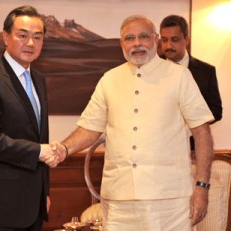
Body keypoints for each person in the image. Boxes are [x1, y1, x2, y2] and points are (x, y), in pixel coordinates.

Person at [51, 15, 214, 230]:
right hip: (118, 201)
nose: (137, 43)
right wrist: (64, 148)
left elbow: (202, 132)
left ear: (155, 40)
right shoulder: (109, 80)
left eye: (143, 36)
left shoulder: (179, 76)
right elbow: (90, 128)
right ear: (121, 43)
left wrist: (202, 188)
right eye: (129, 38)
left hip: (169, 201)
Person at [0, 5, 58, 231]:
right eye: (23, 35)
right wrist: (39, 151)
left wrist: (43, 192)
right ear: (6, 37)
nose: (30, 43)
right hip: (1, 205)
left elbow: (38, 135)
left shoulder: (38, 78)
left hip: (33, 204)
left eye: (37, 37)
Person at [159, 15, 222, 150]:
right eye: (164, 40)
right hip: (158, 149)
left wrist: (190, 126)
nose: (168, 46)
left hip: (193, 149)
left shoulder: (206, 71)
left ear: (186, 39)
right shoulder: (151, 70)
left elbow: (216, 110)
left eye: (174, 40)